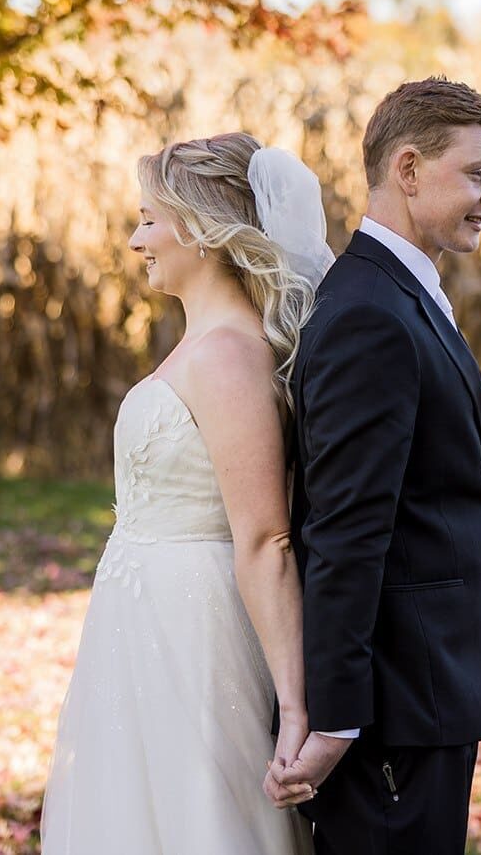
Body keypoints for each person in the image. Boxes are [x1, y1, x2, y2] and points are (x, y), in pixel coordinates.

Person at [41, 132, 333, 854]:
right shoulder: (202, 342)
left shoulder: (230, 355)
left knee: (199, 814)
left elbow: (265, 536)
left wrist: (295, 706)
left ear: (201, 229)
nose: (137, 239)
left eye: (148, 218)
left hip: (193, 630)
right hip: (140, 620)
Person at [266, 77, 481, 855]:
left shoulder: (400, 294)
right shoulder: (370, 314)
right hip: (395, 711)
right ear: (408, 170)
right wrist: (336, 718)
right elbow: (343, 529)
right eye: (479, 173)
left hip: (427, 694)